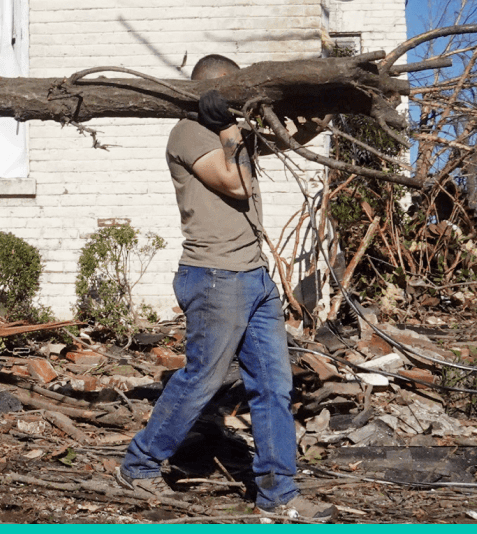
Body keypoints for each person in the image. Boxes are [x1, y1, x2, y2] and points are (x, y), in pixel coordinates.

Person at [116, 54, 336, 521]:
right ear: (214, 91)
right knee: (204, 378)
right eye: (235, 91)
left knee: (275, 385)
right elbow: (235, 183)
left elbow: (277, 144)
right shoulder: (190, 132)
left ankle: (279, 495)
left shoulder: (225, 132)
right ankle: (140, 465)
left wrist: (317, 120)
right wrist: (229, 128)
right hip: (215, 276)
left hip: (254, 277)